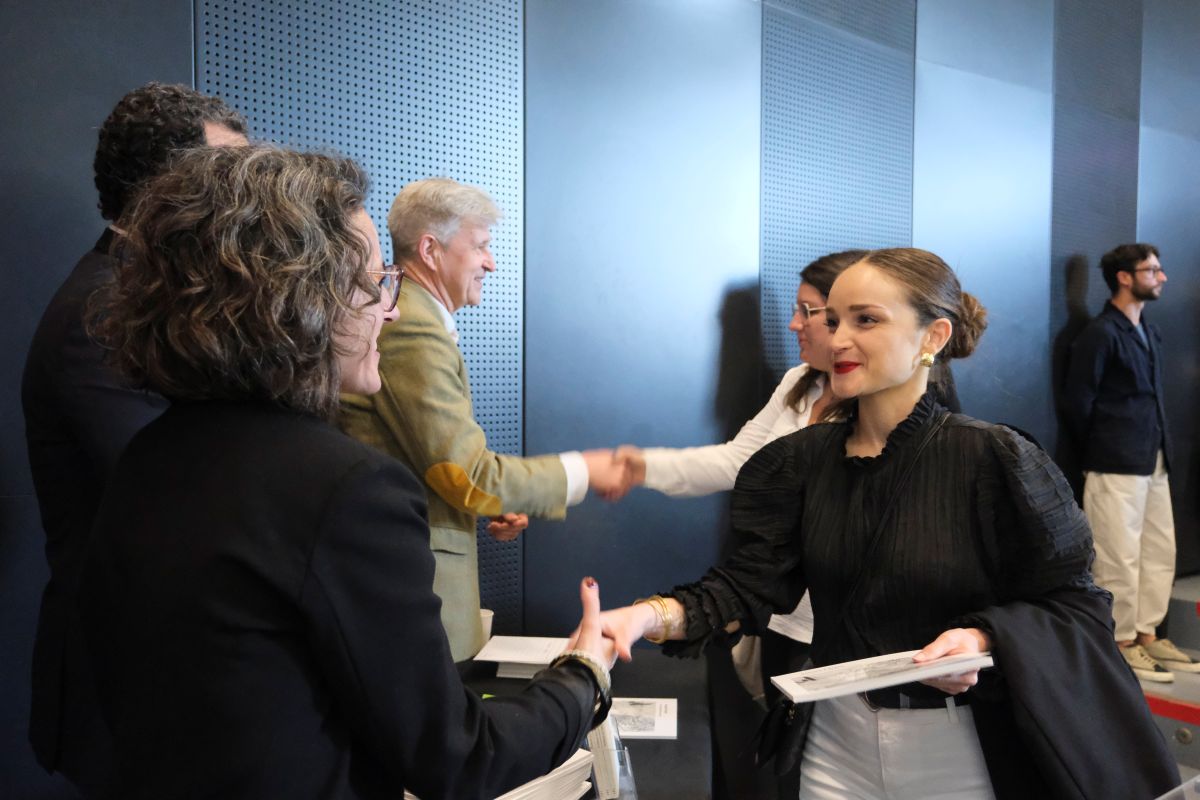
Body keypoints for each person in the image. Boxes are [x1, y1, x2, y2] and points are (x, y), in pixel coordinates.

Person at [78, 146, 615, 800]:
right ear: (302, 302)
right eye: (376, 283)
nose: (391, 309)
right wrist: (582, 674)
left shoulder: (149, 453)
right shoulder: (347, 491)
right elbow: (460, 757)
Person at [595, 248, 1177, 799]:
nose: (837, 339)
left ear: (933, 336)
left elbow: (1077, 604)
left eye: (866, 320)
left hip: (961, 749)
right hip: (831, 744)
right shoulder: (798, 463)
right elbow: (746, 586)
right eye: (833, 320)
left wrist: (981, 639)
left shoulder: (993, 459)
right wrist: (644, 617)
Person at [20, 81, 247, 794]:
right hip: (130, 688)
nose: (247, 199)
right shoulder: (101, 316)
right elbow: (184, 498)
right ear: (160, 189)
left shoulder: (150, 297)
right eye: (228, 177)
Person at [339, 177, 626, 661]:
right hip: (410, 594)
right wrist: (584, 472)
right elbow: (466, 474)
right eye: (480, 246)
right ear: (430, 250)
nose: (490, 262)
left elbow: (424, 464)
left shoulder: (418, 320)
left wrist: (486, 503)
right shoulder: (412, 327)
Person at [1061, 243, 1192, 682]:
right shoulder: (1100, 333)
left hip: (1153, 456)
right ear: (1124, 277)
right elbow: (1078, 402)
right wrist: (1103, 446)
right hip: (1114, 459)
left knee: (1158, 549)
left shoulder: (1149, 331)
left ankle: (1148, 633)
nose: (1162, 277)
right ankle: (1120, 642)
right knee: (1117, 555)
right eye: (1152, 270)